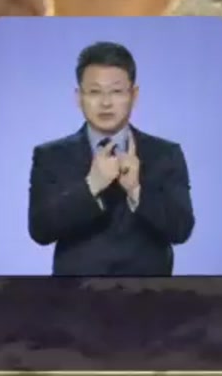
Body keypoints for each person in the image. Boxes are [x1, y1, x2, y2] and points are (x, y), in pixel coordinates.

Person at [26, 40, 195, 275]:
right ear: (78, 97)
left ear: (134, 95)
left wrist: (137, 190)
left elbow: (181, 230)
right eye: (95, 92)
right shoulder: (50, 156)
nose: (105, 103)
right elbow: (40, 230)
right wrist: (91, 186)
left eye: (116, 91)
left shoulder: (165, 154)